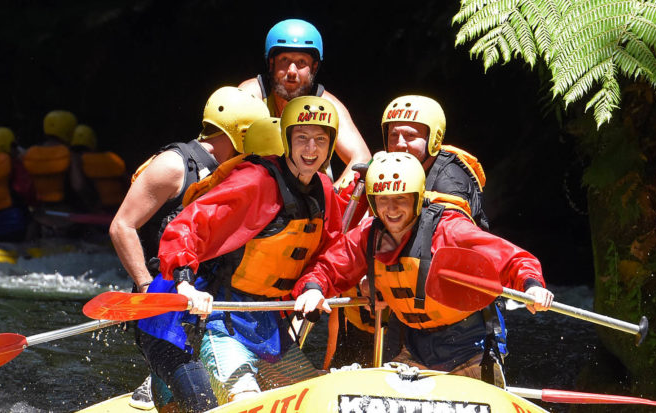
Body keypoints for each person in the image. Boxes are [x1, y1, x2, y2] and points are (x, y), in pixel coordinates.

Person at [291, 151, 555, 386]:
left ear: (417, 198)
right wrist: (314, 289)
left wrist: (532, 285)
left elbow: (512, 259)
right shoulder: (368, 235)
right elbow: (329, 266)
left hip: (467, 343)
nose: (391, 209)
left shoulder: (449, 229)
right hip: (414, 343)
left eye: (401, 199)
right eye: (382, 200)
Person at [147, 96, 345, 404]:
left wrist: (315, 286)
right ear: (286, 139)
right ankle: (169, 386)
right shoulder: (256, 181)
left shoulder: (324, 190)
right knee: (246, 400)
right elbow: (189, 226)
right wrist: (184, 281)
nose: (311, 149)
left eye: (320, 140)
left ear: (331, 145)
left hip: (266, 324)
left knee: (315, 401)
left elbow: (330, 255)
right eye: (302, 138)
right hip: (219, 315)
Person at [109, 86, 269, 411]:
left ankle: (160, 386)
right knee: (199, 403)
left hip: (206, 308)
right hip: (162, 308)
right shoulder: (174, 165)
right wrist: (143, 287)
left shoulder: (237, 171)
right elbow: (121, 225)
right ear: (242, 133)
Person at [238, 18, 371, 181]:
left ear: (314, 67)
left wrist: (332, 199)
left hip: (310, 198)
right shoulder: (251, 94)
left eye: (301, 62)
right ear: (271, 63)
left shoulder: (326, 104)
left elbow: (362, 158)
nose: (292, 71)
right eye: (284, 60)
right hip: (256, 192)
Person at [382, 95, 488, 230]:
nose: (399, 144)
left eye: (411, 136)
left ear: (434, 139)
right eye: (394, 135)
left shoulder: (452, 183)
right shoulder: (386, 169)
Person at [70, 124, 128, 212]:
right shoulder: (112, 158)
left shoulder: (75, 160)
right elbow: (127, 181)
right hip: (118, 207)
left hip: (95, 210)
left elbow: (79, 186)